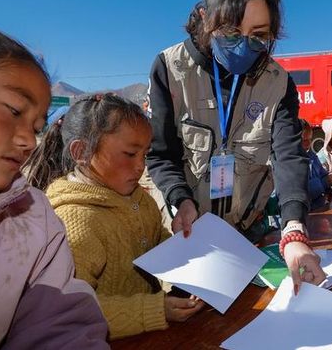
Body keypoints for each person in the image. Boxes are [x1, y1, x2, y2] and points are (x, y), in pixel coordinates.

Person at [145, 0, 325, 291]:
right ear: (205, 17)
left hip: (247, 235)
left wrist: (294, 229)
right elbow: (161, 154)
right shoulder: (170, 69)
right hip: (185, 236)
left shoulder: (278, 83)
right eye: (230, 30)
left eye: (258, 35)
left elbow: (288, 157)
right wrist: (179, 198)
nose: (243, 44)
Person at [0, 22, 108, 348]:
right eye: (14, 110)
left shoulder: (33, 220)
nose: (29, 140)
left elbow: (62, 330)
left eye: (37, 125)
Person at [25, 94, 205, 340]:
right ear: (81, 152)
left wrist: (190, 261)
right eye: (130, 154)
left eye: (144, 154)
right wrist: (154, 309)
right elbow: (71, 308)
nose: (141, 166)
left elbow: (157, 242)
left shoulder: (140, 199)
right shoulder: (74, 222)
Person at [301, 119, 332, 209]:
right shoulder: (289, 163)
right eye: (304, 140)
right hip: (304, 214)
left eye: (310, 139)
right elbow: (302, 193)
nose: (308, 143)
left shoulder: (312, 156)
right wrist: (324, 182)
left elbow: (322, 174)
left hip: (318, 207)